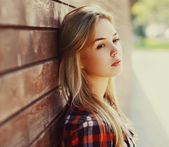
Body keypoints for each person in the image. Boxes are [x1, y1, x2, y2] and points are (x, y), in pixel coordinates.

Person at [58, 5, 136, 147]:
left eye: (115, 40)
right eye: (101, 45)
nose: (115, 50)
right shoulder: (91, 125)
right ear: (79, 60)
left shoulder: (105, 106)